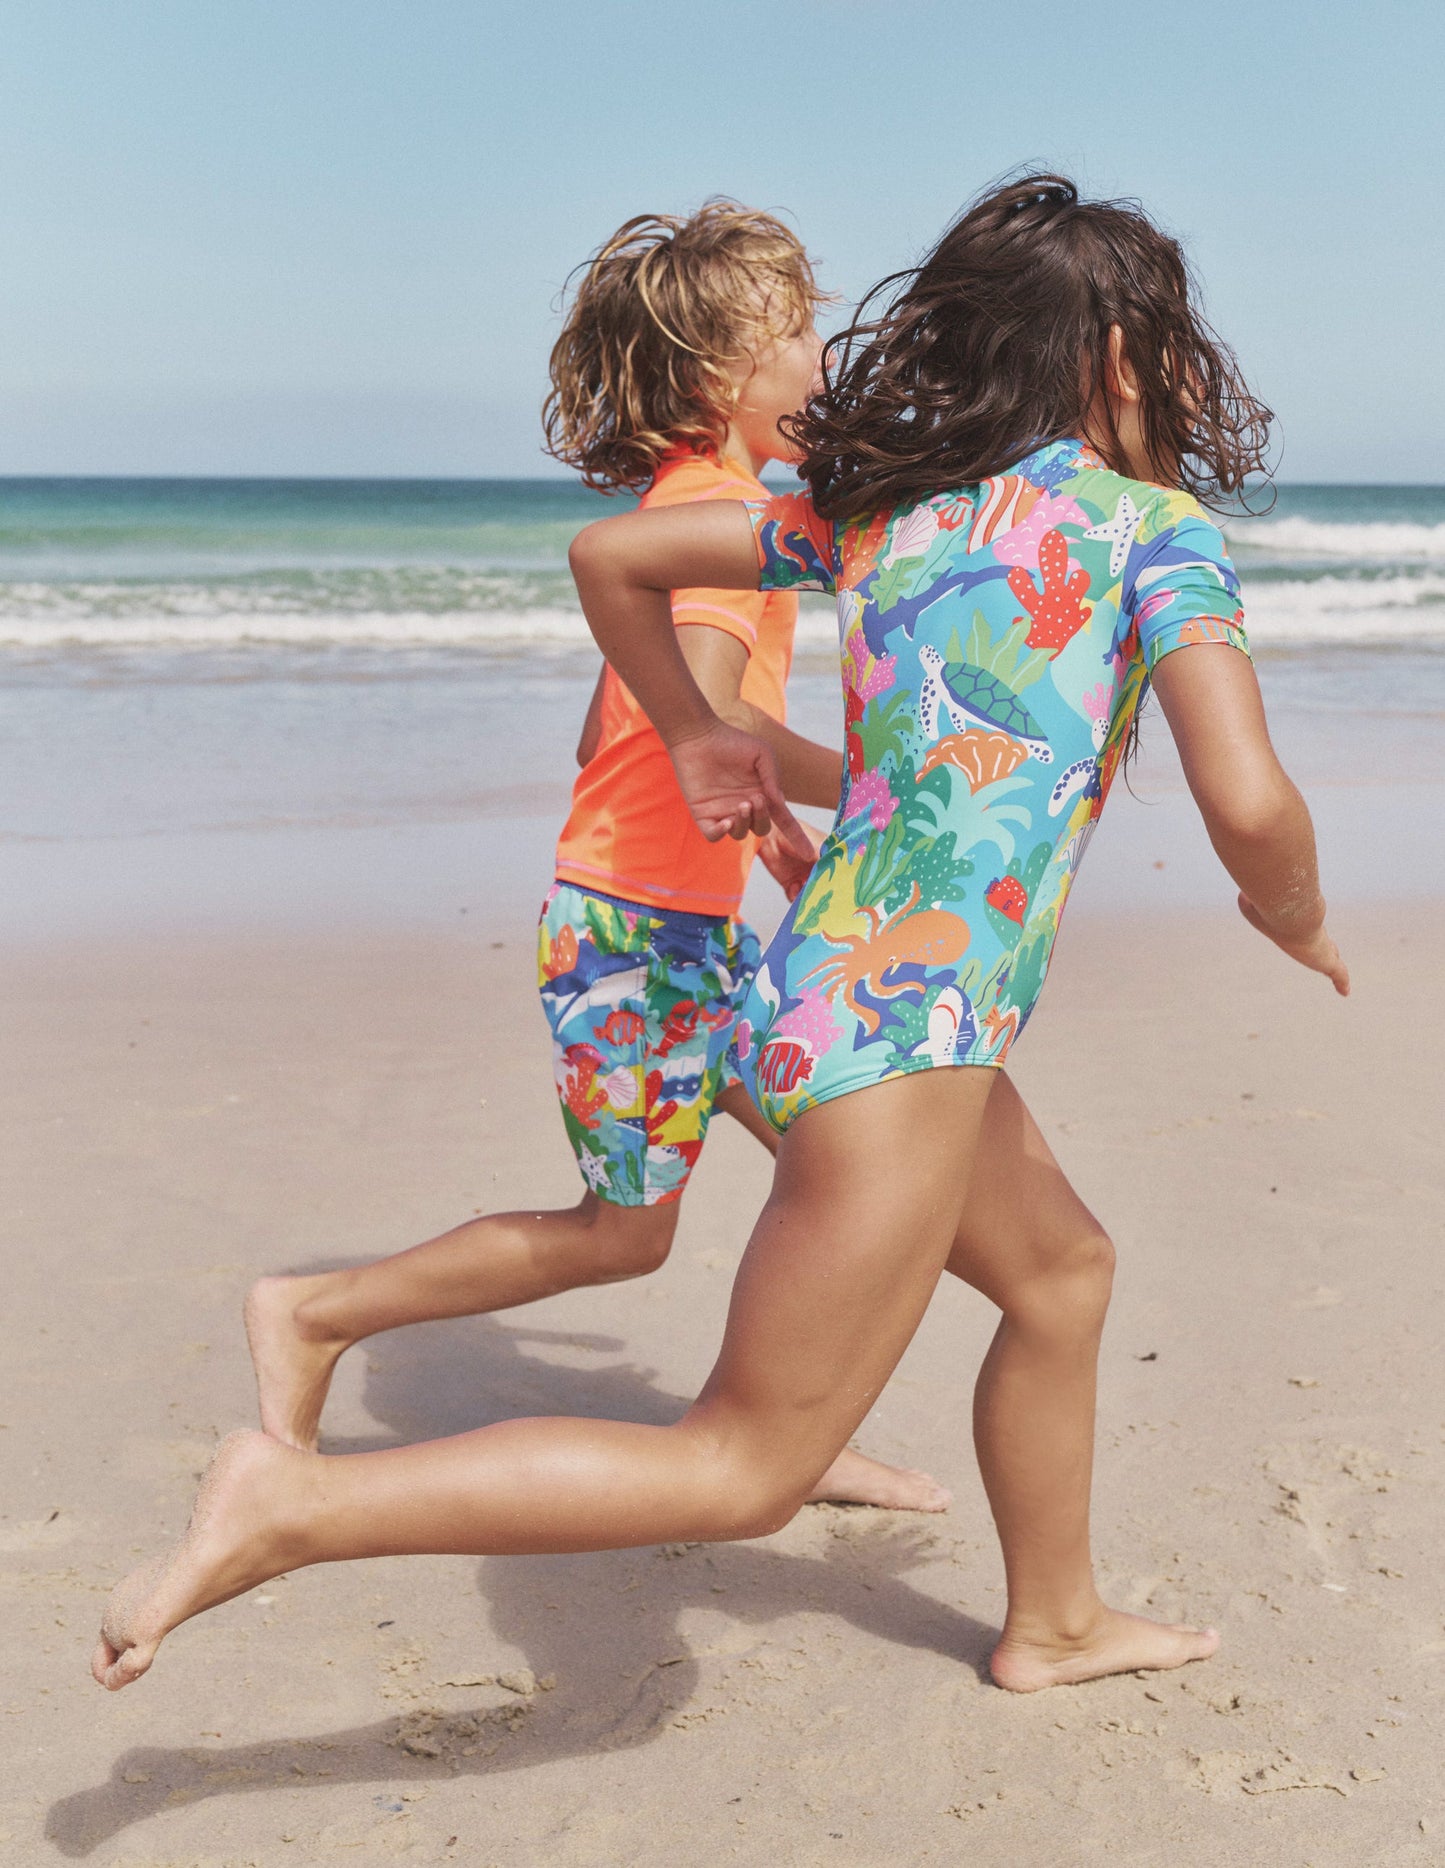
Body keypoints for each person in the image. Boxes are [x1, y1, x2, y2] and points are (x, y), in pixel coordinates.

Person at [94, 175, 1349, 1698]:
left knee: (1062, 1273)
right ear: (1117, 357)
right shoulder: (1151, 535)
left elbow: (610, 562)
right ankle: (297, 1502)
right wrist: (1289, 913)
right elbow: (1247, 794)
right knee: (743, 1466)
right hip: (900, 1045)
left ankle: (1056, 1619)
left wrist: (696, 730)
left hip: (836, 1000)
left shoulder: (879, 510)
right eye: (1163, 344)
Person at [241, 201, 942, 1513]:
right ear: (719, 377)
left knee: (835, 1173)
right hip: (636, 935)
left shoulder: (678, 509)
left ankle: (791, 1422)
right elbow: (719, 715)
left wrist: (751, 818)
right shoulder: (731, 523)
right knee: (622, 1235)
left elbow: (606, 727)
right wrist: (857, 790)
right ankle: (314, 1314)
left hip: (676, 921)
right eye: (795, 333)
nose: (818, 359)